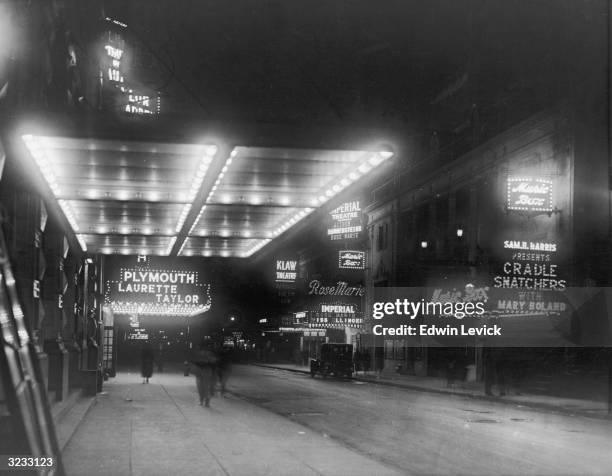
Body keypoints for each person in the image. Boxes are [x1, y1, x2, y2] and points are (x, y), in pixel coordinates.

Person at [191, 342, 217, 406]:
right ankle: (202, 400)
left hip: (206, 371)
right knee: (200, 387)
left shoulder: (209, 354)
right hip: (200, 371)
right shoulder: (197, 354)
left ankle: (206, 401)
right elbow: (194, 362)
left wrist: (207, 361)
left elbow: (213, 361)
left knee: (205, 387)